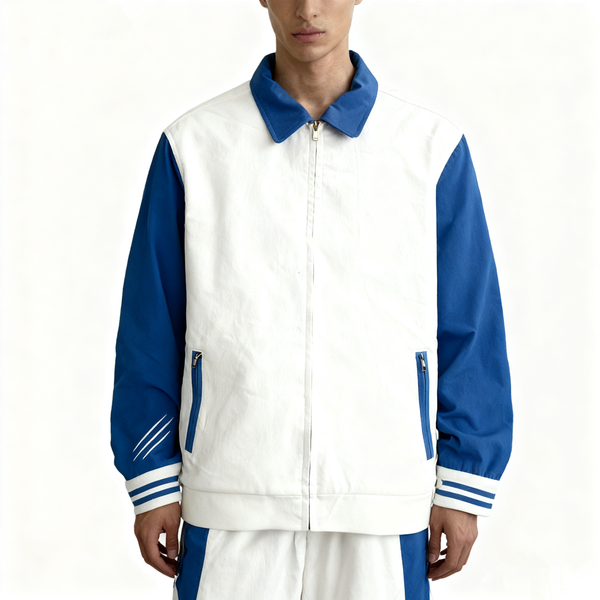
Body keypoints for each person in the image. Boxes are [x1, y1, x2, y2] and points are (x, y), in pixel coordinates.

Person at [110, 1, 513, 598]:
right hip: (231, 497)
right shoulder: (194, 145)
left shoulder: (429, 149)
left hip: (382, 502)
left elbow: (470, 324)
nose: (308, 9)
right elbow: (151, 324)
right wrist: (152, 479)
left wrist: (463, 482)